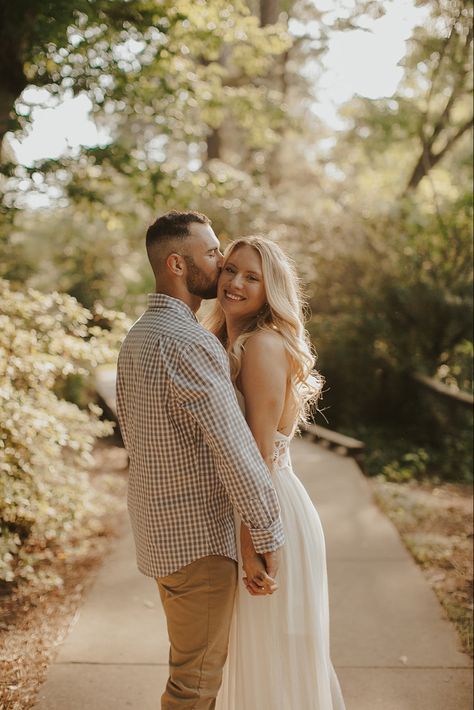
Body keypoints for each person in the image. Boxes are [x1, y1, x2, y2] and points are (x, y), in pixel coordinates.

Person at [116, 212, 285, 710]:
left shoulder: (138, 336)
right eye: (212, 253)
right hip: (199, 546)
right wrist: (267, 534)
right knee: (193, 688)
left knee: (191, 671)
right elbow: (238, 455)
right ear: (176, 263)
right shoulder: (189, 344)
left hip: (162, 538)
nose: (221, 261)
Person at [204, 236, 346, 710]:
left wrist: (256, 540)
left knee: (274, 656)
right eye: (230, 270)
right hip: (254, 504)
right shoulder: (228, 341)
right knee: (258, 655)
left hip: (268, 508)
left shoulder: (262, 345)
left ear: (272, 291)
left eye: (251, 277)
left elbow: (258, 455)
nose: (235, 283)